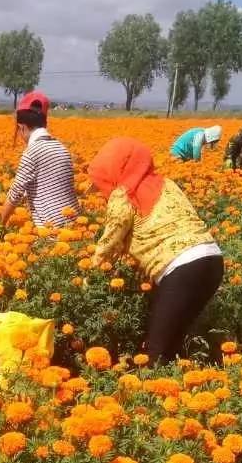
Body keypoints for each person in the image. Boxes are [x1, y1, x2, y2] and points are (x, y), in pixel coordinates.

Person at [89, 137, 223, 364]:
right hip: (212, 259)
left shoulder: (124, 195)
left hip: (182, 268)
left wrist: (91, 271)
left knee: (156, 353)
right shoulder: (167, 183)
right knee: (174, 338)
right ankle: (188, 379)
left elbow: (111, 240)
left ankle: (153, 391)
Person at [0, 105, 78, 229]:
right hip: (75, 223)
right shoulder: (61, 147)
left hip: (51, 228)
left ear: (22, 127)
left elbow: (15, 194)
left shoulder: (32, 151)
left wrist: (0, 225)